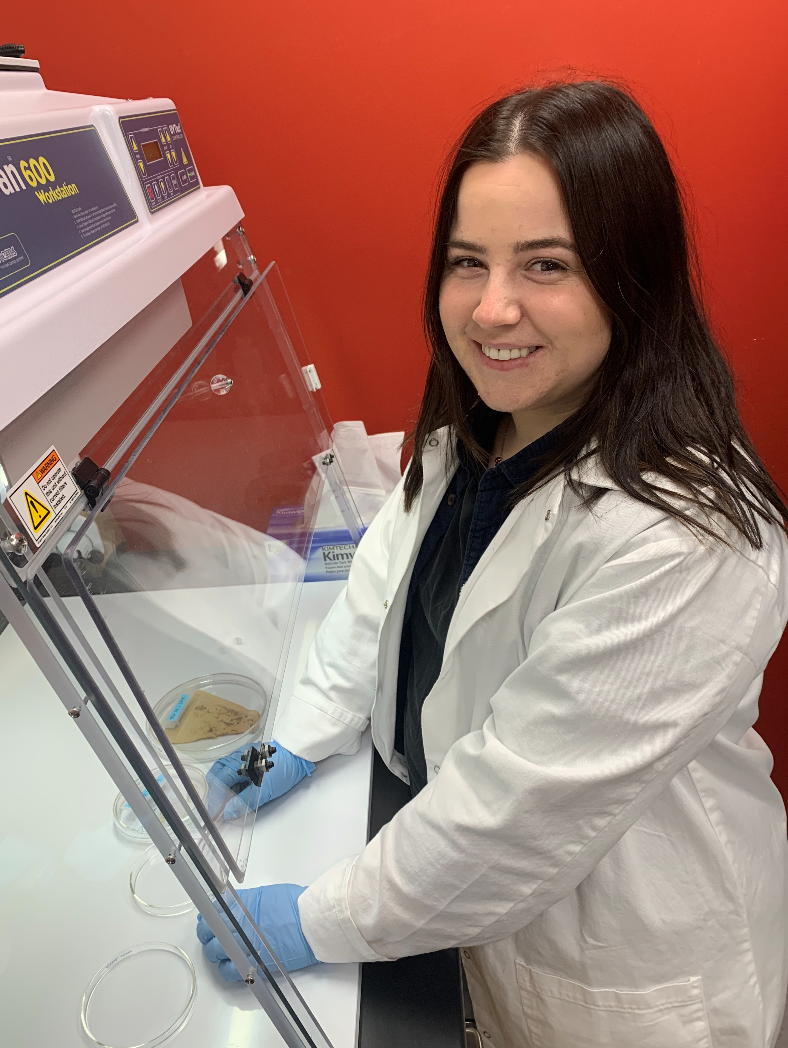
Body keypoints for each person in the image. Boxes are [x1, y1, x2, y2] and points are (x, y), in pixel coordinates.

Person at [197, 80, 788, 1047]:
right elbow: (381, 593)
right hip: (486, 915)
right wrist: (299, 735)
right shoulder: (478, 431)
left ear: (632, 277)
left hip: (633, 965)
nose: (493, 308)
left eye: (546, 265)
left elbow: (518, 811)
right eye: (468, 263)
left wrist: (313, 921)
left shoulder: (688, 538)